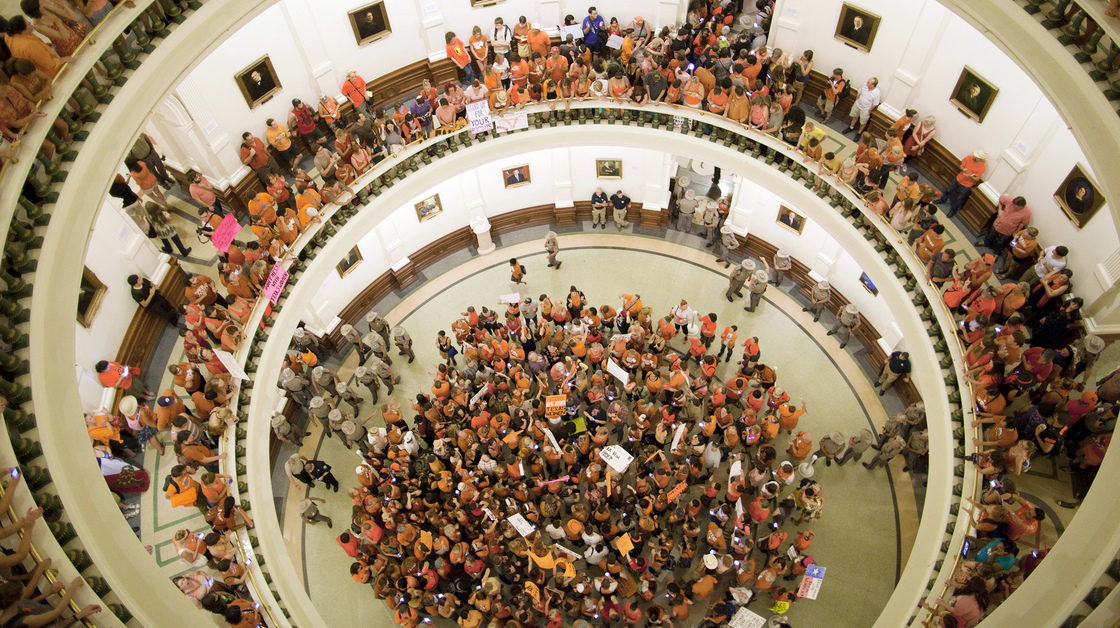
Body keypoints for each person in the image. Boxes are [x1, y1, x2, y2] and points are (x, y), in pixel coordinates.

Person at [935, 150, 988, 218]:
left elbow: (977, 179)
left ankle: (953, 211)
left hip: (967, 185)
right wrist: (963, 169)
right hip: (958, 179)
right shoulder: (969, 158)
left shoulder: (982, 167)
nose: (975, 157)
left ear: (981, 159)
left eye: (978, 157)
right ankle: (943, 199)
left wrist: (970, 176)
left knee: (959, 198)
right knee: (949, 190)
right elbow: (961, 166)